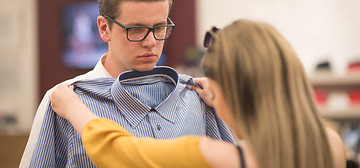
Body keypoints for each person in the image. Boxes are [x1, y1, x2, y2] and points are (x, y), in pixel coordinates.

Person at [20, 0, 235, 167]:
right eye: (136, 30)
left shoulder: (199, 99)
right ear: (104, 29)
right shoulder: (61, 102)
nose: (151, 42)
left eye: (159, 27)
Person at [50, 19, 346, 168]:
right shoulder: (330, 143)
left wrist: (72, 107)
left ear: (232, 94)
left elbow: (120, 151)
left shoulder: (219, 156)